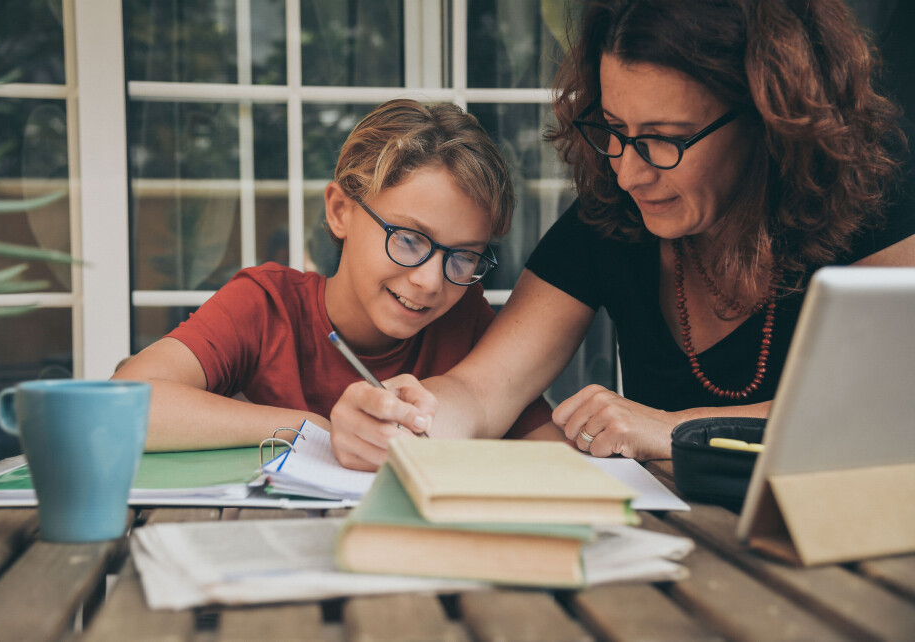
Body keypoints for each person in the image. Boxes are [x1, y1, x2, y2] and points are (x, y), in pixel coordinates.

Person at [329, 0, 915, 470]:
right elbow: (482, 393)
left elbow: (890, 409)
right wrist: (412, 420)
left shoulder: (874, 204)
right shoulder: (611, 216)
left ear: (768, 119)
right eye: (613, 129)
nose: (628, 172)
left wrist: (673, 426)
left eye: (665, 138)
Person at [113, 99, 555, 451]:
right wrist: (311, 428)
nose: (430, 281)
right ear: (340, 211)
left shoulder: (466, 322)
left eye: (463, 256)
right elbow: (121, 405)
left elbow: (555, 459)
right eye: (407, 239)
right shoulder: (267, 306)